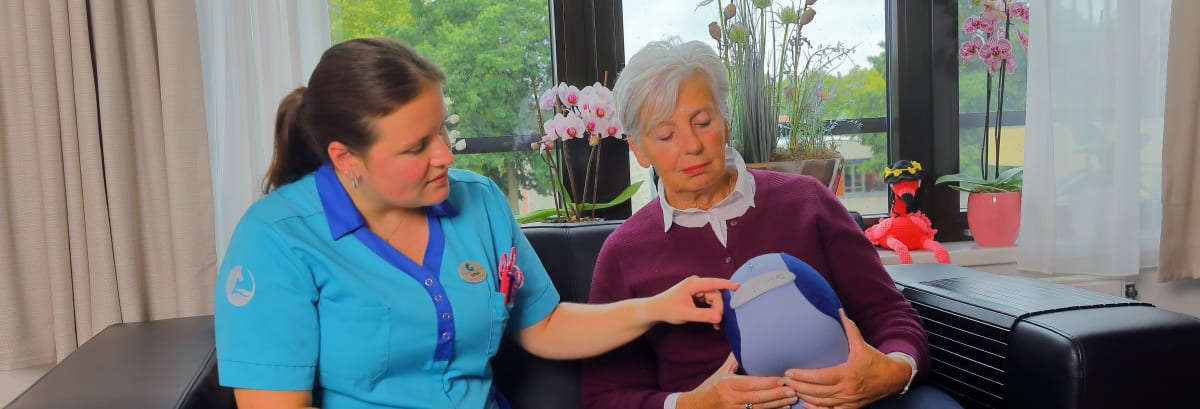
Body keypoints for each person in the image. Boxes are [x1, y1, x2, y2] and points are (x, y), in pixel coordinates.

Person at [213, 37, 737, 409]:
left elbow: (545, 326)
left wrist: (659, 306)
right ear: (346, 159)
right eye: (417, 147)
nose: (445, 154)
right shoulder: (275, 240)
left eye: (442, 130)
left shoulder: (478, 200)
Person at [581, 39, 964, 409]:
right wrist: (691, 404)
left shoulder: (808, 200)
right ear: (638, 149)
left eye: (702, 122)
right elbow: (605, 396)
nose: (692, 146)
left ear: (726, 121)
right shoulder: (623, 253)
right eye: (666, 134)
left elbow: (889, 313)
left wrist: (892, 372)